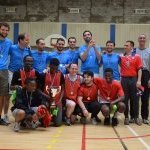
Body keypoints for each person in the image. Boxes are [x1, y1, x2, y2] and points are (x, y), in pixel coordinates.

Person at [120, 41, 142, 125]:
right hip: (124, 80)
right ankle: (126, 117)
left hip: (133, 79)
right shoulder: (121, 56)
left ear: (131, 47)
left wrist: (139, 80)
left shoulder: (137, 56)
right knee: (125, 99)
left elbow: (139, 69)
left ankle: (136, 117)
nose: (124, 46)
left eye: (127, 45)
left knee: (135, 99)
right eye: (124, 45)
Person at [43, 58, 65, 126]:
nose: (54, 70)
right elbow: (38, 89)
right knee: (44, 124)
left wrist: (60, 100)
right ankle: (47, 116)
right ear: (49, 65)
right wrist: (48, 97)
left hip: (57, 99)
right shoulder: (44, 74)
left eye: (56, 68)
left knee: (58, 124)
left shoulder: (60, 74)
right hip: (46, 99)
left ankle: (53, 116)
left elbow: (63, 89)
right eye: (52, 68)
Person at [135, 34, 150, 124]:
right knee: (136, 97)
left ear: (146, 40)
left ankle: (145, 117)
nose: (142, 39)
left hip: (146, 74)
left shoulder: (149, 51)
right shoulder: (134, 51)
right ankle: (135, 116)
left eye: (143, 38)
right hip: (136, 74)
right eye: (140, 38)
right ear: (138, 39)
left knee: (145, 97)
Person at [0, 22, 12, 125]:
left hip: (4, 70)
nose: (5, 32)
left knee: (3, 95)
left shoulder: (9, 42)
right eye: (3, 29)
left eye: (7, 30)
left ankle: (1, 117)